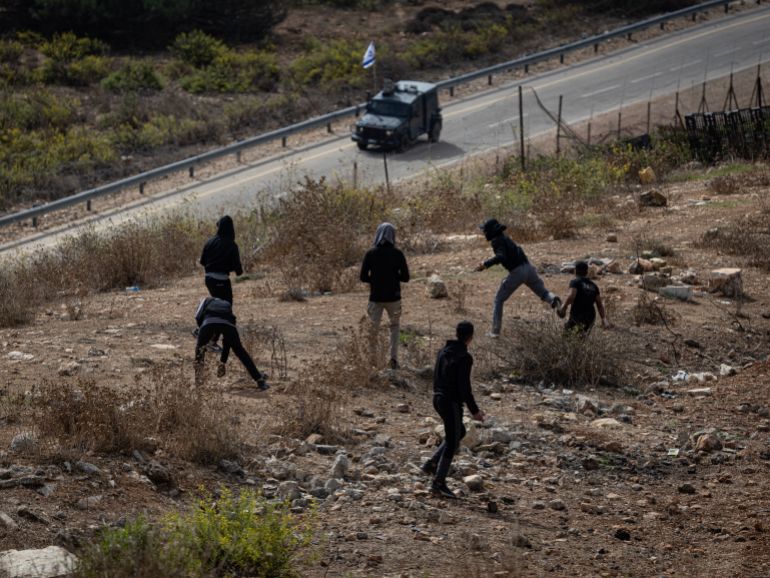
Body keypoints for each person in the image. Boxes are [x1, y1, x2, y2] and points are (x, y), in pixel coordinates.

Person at [421, 321, 484, 499]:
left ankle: (431, 464)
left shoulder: (443, 352)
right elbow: (465, 388)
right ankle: (438, 482)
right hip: (450, 402)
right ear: (470, 337)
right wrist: (475, 411)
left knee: (459, 432)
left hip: (438, 399)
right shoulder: (464, 357)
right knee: (453, 441)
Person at [475, 218, 561, 338]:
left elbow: (501, 256)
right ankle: (554, 300)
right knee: (543, 292)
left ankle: (495, 332)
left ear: (491, 231)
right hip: (529, 268)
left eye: (485, 231)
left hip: (517, 272)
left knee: (498, 299)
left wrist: (485, 264)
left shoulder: (496, 241)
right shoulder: (506, 238)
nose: (484, 233)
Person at [360, 222, 410, 369]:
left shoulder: (370, 253)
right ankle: (393, 360)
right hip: (394, 297)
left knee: (373, 329)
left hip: (375, 297)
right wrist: (393, 277)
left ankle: (372, 360)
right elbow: (406, 277)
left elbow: (363, 277)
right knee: (394, 327)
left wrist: (375, 280)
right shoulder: (398, 254)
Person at [194, 296, 269, 390]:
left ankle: (199, 385)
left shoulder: (205, 300)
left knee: (199, 353)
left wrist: (202, 333)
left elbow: (197, 316)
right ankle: (260, 381)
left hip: (207, 324)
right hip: (228, 326)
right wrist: (222, 363)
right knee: (240, 352)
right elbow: (227, 343)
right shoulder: (226, 305)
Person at [198, 215, 243, 351]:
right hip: (222, 281)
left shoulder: (210, 242)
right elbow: (239, 271)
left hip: (209, 279)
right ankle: (211, 340)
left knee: (217, 307)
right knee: (224, 310)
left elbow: (202, 262)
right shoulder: (232, 245)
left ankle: (202, 330)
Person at [557, 260, 609, 334]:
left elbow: (571, 296)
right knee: (582, 337)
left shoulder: (575, 282)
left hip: (578, 315)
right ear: (586, 272)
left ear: (575, 271)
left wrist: (564, 307)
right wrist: (604, 319)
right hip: (591, 317)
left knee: (567, 337)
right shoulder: (593, 285)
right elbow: (599, 304)